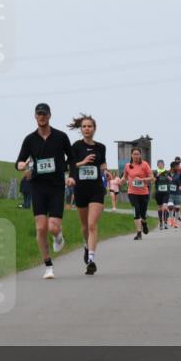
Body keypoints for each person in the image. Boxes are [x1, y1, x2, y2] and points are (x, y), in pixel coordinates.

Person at [15, 103, 75, 280]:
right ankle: (48, 266)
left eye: (44, 114)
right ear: (35, 116)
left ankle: (58, 237)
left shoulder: (61, 137)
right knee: (41, 228)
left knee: (53, 227)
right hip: (38, 187)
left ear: (49, 116)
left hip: (57, 186)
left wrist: (72, 176)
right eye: (38, 114)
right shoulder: (30, 139)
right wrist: (20, 165)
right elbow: (19, 161)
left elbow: (71, 159)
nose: (41, 117)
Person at [67, 114, 108, 275]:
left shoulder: (101, 147)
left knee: (92, 225)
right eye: (84, 126)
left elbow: (102, 162)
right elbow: (69, 164)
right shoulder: (76, 146)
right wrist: (82, 162)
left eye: (89, 126)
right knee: (84, 226)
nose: (86, 129)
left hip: (97, 188)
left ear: (94, 129)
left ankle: (91, 259)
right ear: (81, 129)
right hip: (81, 189)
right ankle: (86, 246)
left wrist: (106, 170)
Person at [122, 147, 153, 240]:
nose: (136, 156)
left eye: (137, 154)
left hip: (144, 192)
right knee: (136, 210)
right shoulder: (128, 165)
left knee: (143, 213)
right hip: (132, 192)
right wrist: (121, 181)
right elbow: (124, 177)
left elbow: (151, 177)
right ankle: (139, 233)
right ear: (131, 155)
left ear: (140, 155)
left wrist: (142, 179)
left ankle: (144, 222)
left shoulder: (145, 164)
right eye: (134, 154)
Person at [153, 161, 172, 230]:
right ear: (157, 165)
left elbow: (171, 180)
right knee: (160, 207)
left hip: (166, 192)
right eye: (159, 164)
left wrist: (167, 176)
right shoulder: (155, 172)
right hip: (158, 193)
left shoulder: (167, 172)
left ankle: (166, 222)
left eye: (162, 164)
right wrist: (157, 175)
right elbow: (153, 181)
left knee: (165, 207)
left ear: (164, 165)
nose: (160, 165)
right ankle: (161, 222)